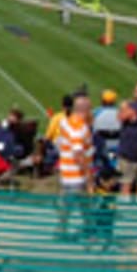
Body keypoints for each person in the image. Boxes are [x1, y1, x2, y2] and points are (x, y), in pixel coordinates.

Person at [55, 94, 92, 239]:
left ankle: (61, 231)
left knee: (66, 207)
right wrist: (89, 174)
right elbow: (78, 153)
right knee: (86, 207)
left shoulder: (66, 122)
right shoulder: (79, 128)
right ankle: (89, 231)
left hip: (66, 173)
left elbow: (61, 141)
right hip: (77, 176)